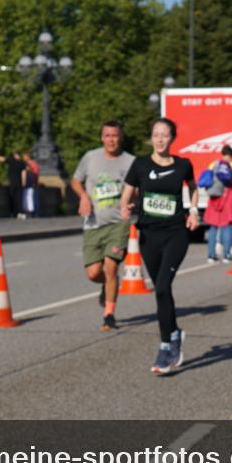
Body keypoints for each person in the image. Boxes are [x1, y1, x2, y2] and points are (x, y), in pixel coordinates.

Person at [121, 118, 199, 375]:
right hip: (148, 235)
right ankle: (174, 333)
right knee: (161, 291)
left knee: (164, 285)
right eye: (156, 134)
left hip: (176, 233)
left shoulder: (183, 165)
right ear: (151, 138)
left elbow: (192, 187)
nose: (160, 139)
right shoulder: (140, 164)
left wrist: (193, 211)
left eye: (165, 135)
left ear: (172, 138)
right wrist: (126, 206)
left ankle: (166, 346)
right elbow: (128, 192)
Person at [70, 121, 136, 331]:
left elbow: (139, 188)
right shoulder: (91, 157)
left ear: (120, 138)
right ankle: (106, 285)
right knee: (93, 273)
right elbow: (75, 181)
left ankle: (109, 315)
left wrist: (133, 199)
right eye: (107, 135)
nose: (111, 139)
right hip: (93, 223)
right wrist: (83, 197)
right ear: (102, 138)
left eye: (115, 135)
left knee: (110, 267)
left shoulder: (130, 161)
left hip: (118, 223)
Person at [203, 145, 232, 263]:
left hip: (214, 198)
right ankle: (227, 255)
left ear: (222, 153)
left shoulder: (214, 164)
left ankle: (211, 255)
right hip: (228, 197)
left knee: (213, 226)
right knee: (226, 225)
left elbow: (208, 178)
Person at [0, 151, 25, 218]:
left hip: (12, 183)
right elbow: (23, 173)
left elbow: (0, 159)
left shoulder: (11, 160)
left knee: (12, 198)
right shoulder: (22, 163)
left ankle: (13, 213)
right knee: (18, 198)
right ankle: (18, 213)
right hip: (18, 183)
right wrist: (23, 183)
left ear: (14, 155)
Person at [21, 152, 38, 218]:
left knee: (28, 198)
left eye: (25, 157)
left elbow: (34, 175)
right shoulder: (33, 164)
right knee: (29, 198)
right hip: (31, 184)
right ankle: (30, 212)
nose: (24, 158)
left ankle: (30, 212)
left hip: (30, 184)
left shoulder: (31, 164)